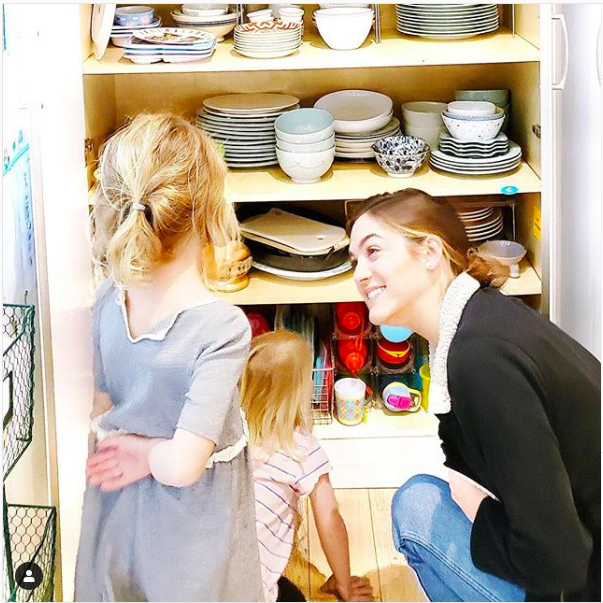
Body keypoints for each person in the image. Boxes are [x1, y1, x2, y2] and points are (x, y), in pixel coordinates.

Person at [348, 188, 600, 603]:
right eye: (354, 260)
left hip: (585, 580)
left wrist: (478, 510)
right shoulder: (484, 317)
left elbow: (560, 561)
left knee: (416, 506)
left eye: (373, 251)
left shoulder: (478, 358)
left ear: (430, 251)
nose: (359, 273)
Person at [76, 114, 263, 602]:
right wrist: (147, 453)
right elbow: (183, 465)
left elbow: (97, 398)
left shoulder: (106, 299)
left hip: (117, 500)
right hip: (188, 523)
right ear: (208, 213)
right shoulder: (221, 328)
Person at [240, 330, 373, 603]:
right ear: (301, 392)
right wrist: (344, 582)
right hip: (251, 588)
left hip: (202, 576)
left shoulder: (227, 430)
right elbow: (330, 521)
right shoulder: (300, 449)